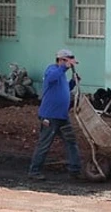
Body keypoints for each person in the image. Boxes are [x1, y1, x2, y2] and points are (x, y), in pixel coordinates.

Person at [28, 49, 83, 181]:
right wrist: (64, 68)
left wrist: (73, 82)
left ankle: (75, 170)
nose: (70, 66)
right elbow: (52, 78)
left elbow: (63, 89)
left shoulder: (61, 74)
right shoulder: (51, 70)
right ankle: (34, 171)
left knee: (71, 142)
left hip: (62, 116)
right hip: (50, 116)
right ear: (61, 60)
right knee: (44, 144)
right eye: (68, 62)